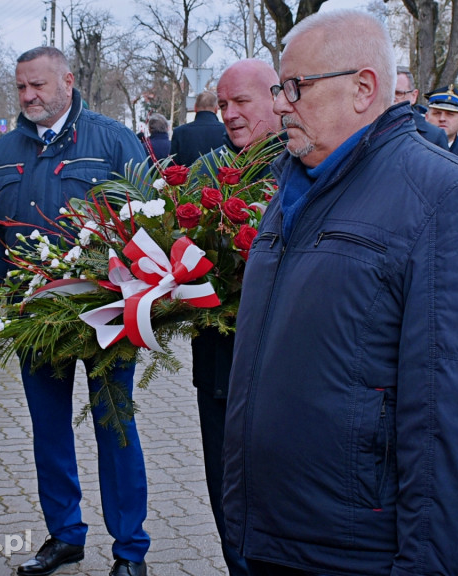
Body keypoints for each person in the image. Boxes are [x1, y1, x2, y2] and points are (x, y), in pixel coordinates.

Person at [223, 10, 458, 575]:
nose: (281, 104)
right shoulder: (293, 188)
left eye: (296, 87)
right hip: (270, 535)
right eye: (277, 88)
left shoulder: (448, 198)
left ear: (363, 88)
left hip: (357, 552)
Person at [0, 46, 150, 576]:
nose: (29, 97)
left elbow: (150, 227)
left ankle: (130, 549)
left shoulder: (114, 140)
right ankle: (65, 536)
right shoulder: (0, 153)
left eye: (38, 86)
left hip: (107, 318)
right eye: (21, 87)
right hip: (33, 321)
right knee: (49, 432)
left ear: (68, 81)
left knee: (115, 430)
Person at [191, 58, 283, 576]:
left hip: (286, 373)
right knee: (226, 496)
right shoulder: (205, 173)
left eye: (240, 102)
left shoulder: (302, 164)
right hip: (220, 367)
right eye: (222, 104)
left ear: (275, 97)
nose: (228, 113)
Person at [393, 66, 449, 149]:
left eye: (399, 94)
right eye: (388, 93)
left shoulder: (434, 136)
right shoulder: (371, 129)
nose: (392, 99)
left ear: (413, 96)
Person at [170, 91, 227, 166]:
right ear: (216, 109)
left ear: (195, 108)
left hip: (189, 177)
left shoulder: (179, 132)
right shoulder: (226, 131)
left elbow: (173, 166)